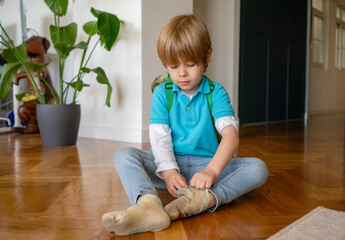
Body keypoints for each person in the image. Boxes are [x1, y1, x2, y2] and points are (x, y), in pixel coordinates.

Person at [102, 14, 268, 236]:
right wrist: (169, 173)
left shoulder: (215, 92)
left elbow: (231, 136)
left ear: (207, 57)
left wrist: (211, 170)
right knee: (124, 155)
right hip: (168, 166)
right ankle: (148, 205)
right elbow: (159, 138)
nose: (181, 73)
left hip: (207, 167)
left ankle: (204, 199)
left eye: (190, 64)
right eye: (173, 66)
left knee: (258, 168)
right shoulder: (162, 93)